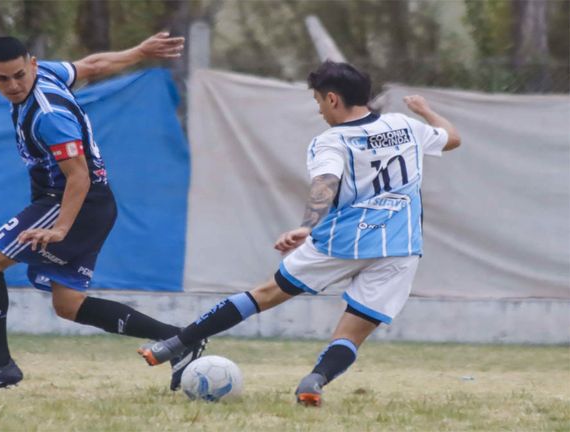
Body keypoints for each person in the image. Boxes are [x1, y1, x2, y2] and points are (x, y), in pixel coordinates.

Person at [138, 61, 461, 406]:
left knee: (264, 294)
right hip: (399, 246)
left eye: (318, 101)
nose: (319, 110)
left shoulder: (331, 140)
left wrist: (307, 226)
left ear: (333, 99)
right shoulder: (405, 126)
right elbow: (452, 138)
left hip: (342, 241)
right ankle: (314, 380)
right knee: (352, 333)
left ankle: (176, 343)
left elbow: (326, 182)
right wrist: (425, 111)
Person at [0, 33, 206, 392]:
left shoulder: (49, 116)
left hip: (70, 202)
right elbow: (92, 65)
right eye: (3, 78)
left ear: (32, 65)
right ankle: (180, 340)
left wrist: (60, 228)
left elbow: (79, 176)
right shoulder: (47, 73)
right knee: (69, 305)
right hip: (93, 205)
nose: (13, 85)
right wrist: (138, 51)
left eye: (19, 75)